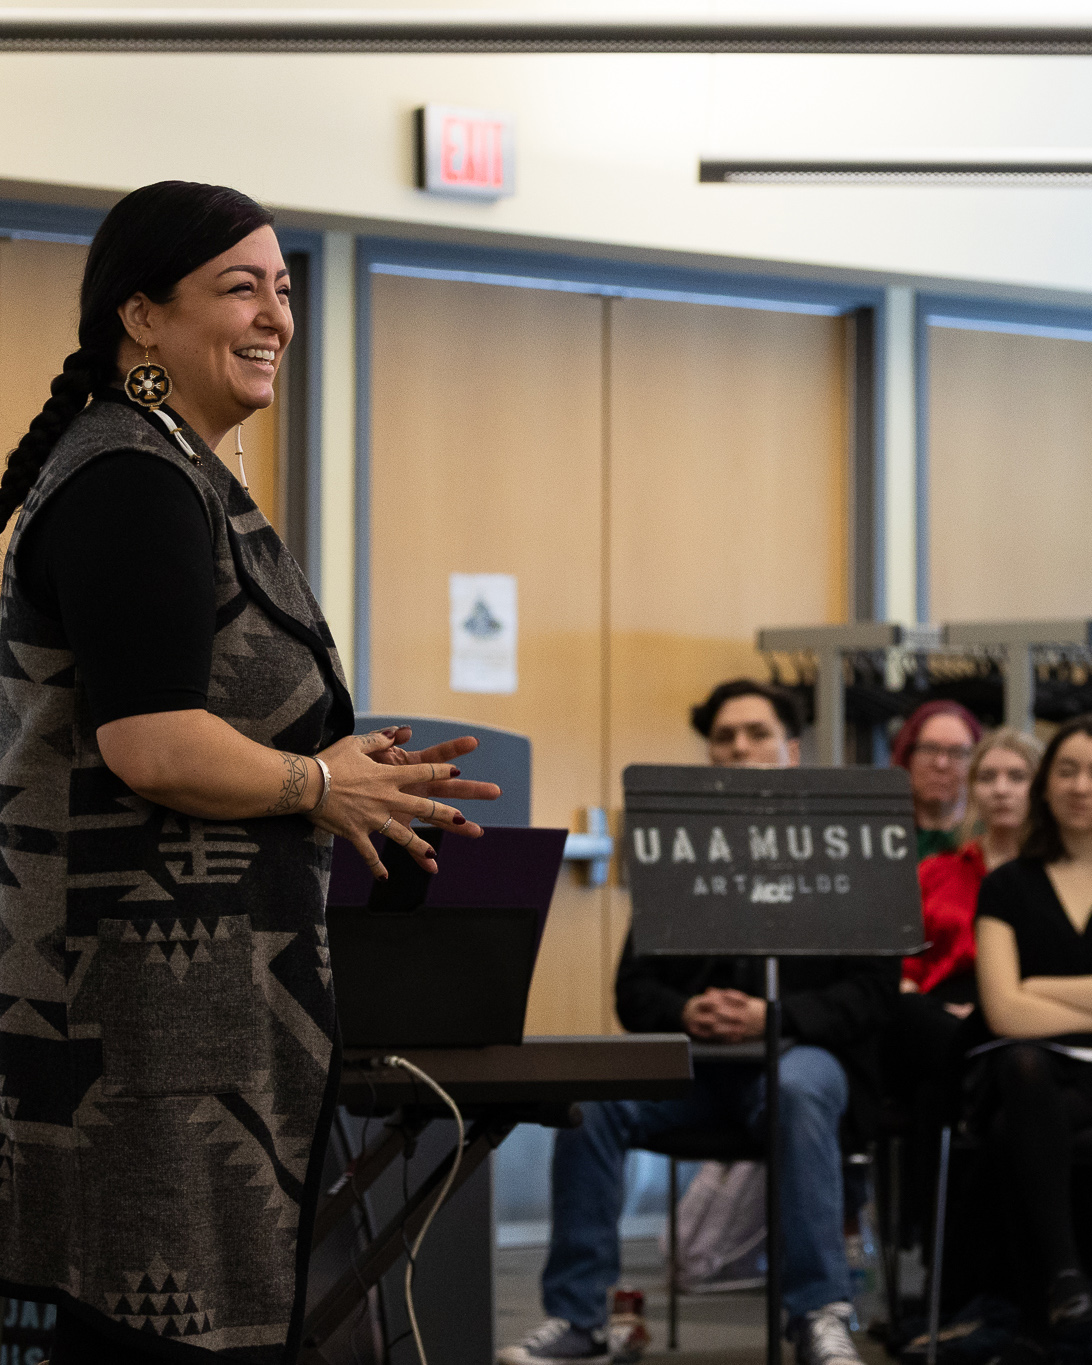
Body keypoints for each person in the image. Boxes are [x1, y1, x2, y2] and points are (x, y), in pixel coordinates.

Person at [0, 182, 498, 1364]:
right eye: (240, 288)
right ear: (143, 316)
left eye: (282, 287)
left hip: (190, 1012)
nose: (276, 315)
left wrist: (354, 781)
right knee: (148, 1330)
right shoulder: (132, 478)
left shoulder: (169, 467)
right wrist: (322, 786)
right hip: (133, 1027)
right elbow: (154, 742)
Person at [500, 679, 899, 1365]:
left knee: (800, 1089)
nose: (739, 747)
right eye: (724, 737)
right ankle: (579, 1318)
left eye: (756, 734)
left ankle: (818, 1315)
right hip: (697, 1069)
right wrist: (685, 1010)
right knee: (590, 1104)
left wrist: (774, 1016)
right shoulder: (678, 847)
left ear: (792, 750)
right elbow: (634, 990)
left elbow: (874, 994)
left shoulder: (845, 847)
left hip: (800, 1057)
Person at [888, 727, 1041, 1246]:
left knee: (935, 1090)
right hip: (934, 1015)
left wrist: (988, 1013)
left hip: (1016, 1015)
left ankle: (936, 1248)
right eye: (988, 777)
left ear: (1038, 788)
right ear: (972, 788)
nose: (1001, 789)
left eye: (1016, 777)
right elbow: (902, 970)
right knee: (911, 1021)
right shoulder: (936, 871)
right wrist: (924, 1003)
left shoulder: (1055, 878)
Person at [976, 714, 1092, 1342]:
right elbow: (1004, 1011)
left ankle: (1046, 1304)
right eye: (1067, 771)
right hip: (1034, 1073)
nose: (1081, 786)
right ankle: (1067, 1280)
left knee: (1009, 1133)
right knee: (1023, 1064)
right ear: (1045, 785)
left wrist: (1040, 985)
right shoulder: (1006, 886)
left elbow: (1023, 995)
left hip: (1061, 1096)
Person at [891, 701, 982, 861]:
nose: (941, 764)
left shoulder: (986, 845)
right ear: (908, 758)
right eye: (929, 749)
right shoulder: (883, 839)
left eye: (957, 752)